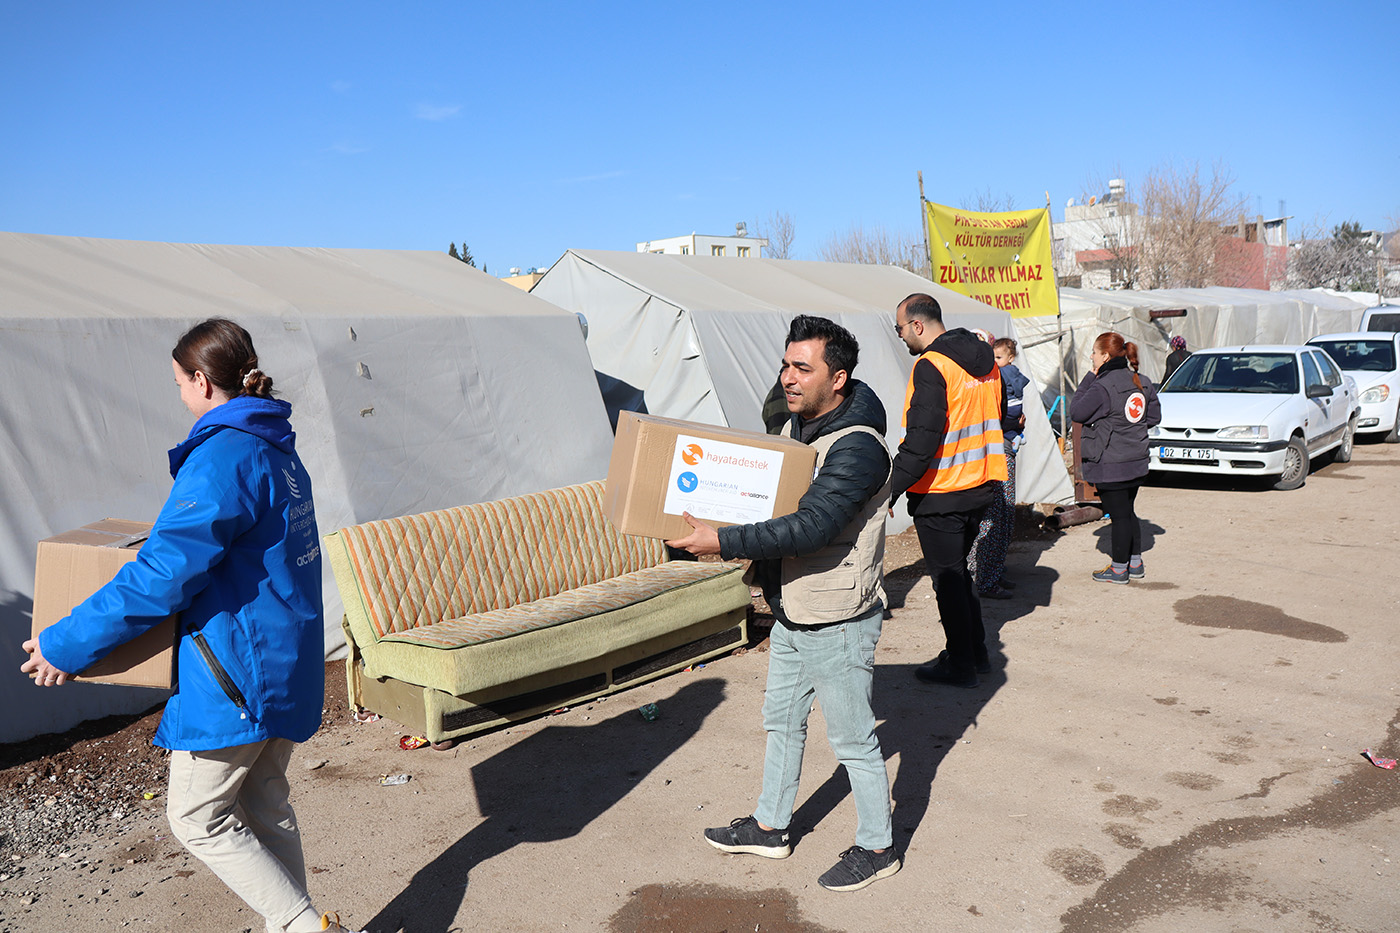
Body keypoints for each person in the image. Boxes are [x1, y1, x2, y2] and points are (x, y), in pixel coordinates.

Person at [20, 319, 363, 933]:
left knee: (194, 816)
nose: (178, 394)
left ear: (203, 382)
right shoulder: (274, 446)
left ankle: (306, 928)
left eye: (179, 383)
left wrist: (62, 643)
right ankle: (300, 925)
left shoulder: (222, 458)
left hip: (238, 671)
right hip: (284, 657)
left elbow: (160, 576)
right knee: (263, 803)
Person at [667, 314, 899, 892]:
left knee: (853, 742)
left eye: (803, 367)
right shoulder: (807, 428)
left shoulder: (858, 449)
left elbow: (812, 528)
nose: (787, 378)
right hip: (796, 607)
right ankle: (772, 825)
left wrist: (720, 541)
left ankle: (878, 846)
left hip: (837, 616)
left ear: (838, 378)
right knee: (782, 721)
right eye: (785, 364)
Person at [890, 293, 1006, 688]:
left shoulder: (931, 366)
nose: (901, 338)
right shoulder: (987, 362)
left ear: (917, 326)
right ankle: (976, 652)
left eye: (900, 329)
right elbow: (1000, 416)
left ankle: (961, 663)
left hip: (940, 493)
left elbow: (921, 441)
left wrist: (888, 489)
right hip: (981, 486)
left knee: (949, 582)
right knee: (960, 576)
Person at [1071, 331, 1162, 584]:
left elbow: (1077, 411)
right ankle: (1135, 563)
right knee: (1127, 511)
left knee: (1120, 516)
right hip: (1136, 459)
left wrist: (1091, 375)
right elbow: (1153, 418)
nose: (1091, 356)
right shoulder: (1141, 380)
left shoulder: (1103, 385)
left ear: (1105, 355)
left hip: (1111, 462)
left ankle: (1119, 569)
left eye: (1094, 352)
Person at [968, 336, 1029, 599]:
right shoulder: (983, 381)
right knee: (994, 516)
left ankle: (991, 572)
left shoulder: (992, 378)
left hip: (999, 451)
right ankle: (985, 578)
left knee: (1002, 515)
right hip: (995, 455)